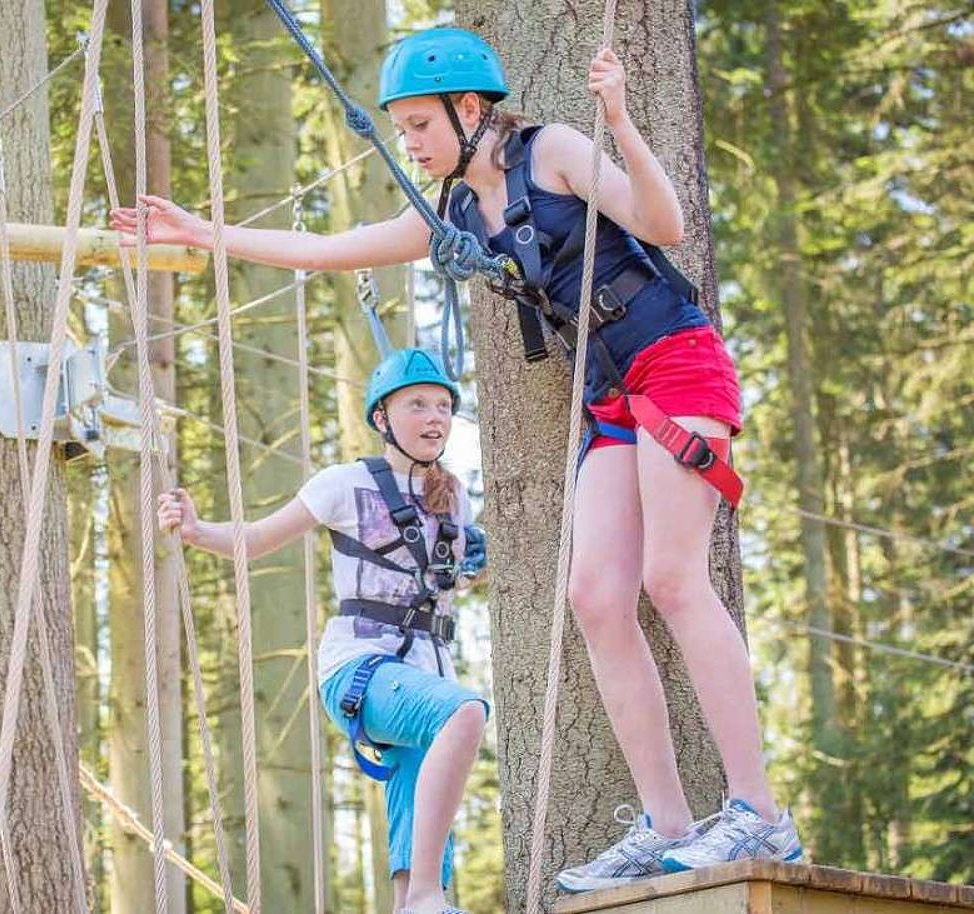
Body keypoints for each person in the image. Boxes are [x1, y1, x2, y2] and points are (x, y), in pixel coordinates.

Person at [120, 26, 800, 892]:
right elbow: (335, 250)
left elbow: (663, 225)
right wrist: (208, 234)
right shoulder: (449, 208)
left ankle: (760, 814)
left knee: (671, 580)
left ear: (470, 109)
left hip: (673, 364)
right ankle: (669, 825)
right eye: (400, 128)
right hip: (609, 398)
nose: (408, 143)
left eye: (417, 126)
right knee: (595, 596)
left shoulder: (551, 151)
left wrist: (622, 122)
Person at [159, 349, 486, 914]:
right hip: (361, 667)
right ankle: (429, 894)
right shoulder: (345, 483)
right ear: (382, 418)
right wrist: (196, 530)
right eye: (417, 405)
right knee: (464, 714)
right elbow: (258, 538)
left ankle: (416, 901)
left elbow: (452, 585)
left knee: (422, 785)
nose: (434, 418)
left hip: (425, 674)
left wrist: (473, 554)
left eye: (442, 407)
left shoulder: (451, 498)